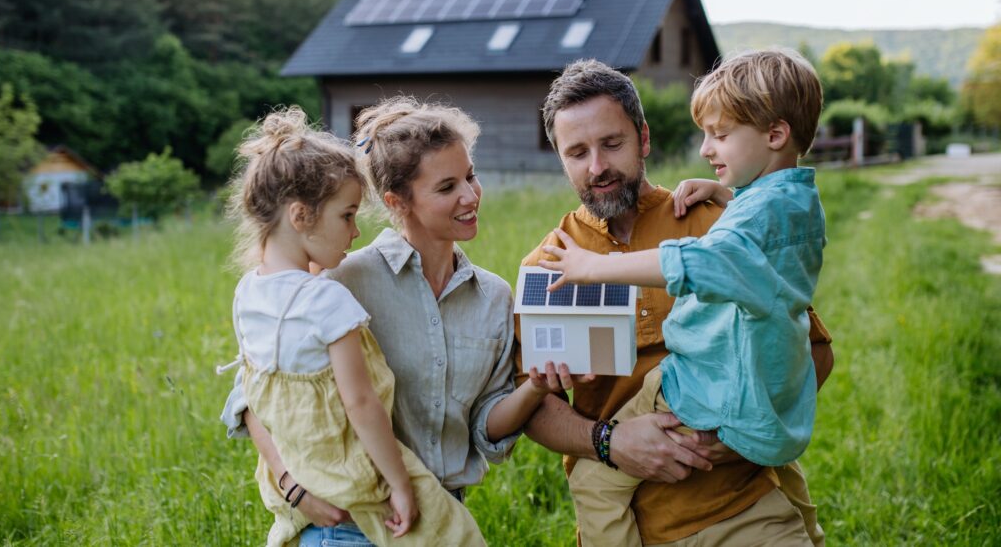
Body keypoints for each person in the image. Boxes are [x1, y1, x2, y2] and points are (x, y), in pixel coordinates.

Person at [517, 58, 834, 546]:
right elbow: (533, 409)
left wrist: (727, 438)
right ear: (560, 157)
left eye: (612, 144)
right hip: (630, 523)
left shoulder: (713, 221)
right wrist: (611, 443)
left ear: (643, 138)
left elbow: (811, 352)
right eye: (577, 152)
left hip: (743, 507)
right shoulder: (549, 263)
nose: (597, 167)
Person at [221, 98, 559, 546]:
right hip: (350, 524)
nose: (470, 196)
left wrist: (536, 386)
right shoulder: (337, 281)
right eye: (447, 187)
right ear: (399, 201)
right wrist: (293, 488)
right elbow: (256, 394)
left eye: (471, 177)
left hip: (440, 521)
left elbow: (484, 428)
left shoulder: (493, 297)